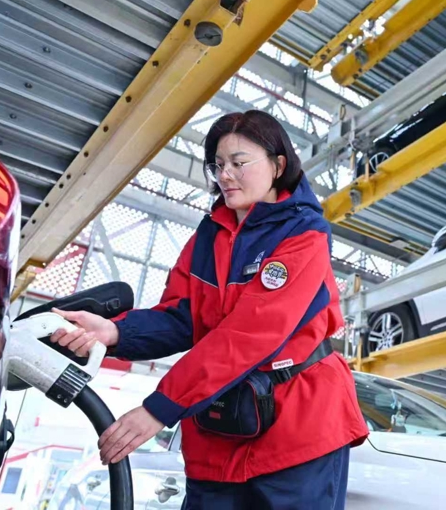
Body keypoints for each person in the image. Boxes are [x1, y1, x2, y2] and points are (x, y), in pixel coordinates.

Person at [50, 110, 368, 509]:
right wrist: (114, 332)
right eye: (218, 165)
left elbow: (251, 333)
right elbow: (182, 317)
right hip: (219, 430)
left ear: (277, 165)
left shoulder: (304, 234)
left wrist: (159, 408)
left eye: (239, 162)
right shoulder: (209, 236)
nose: (225, 175)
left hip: (296, 433)